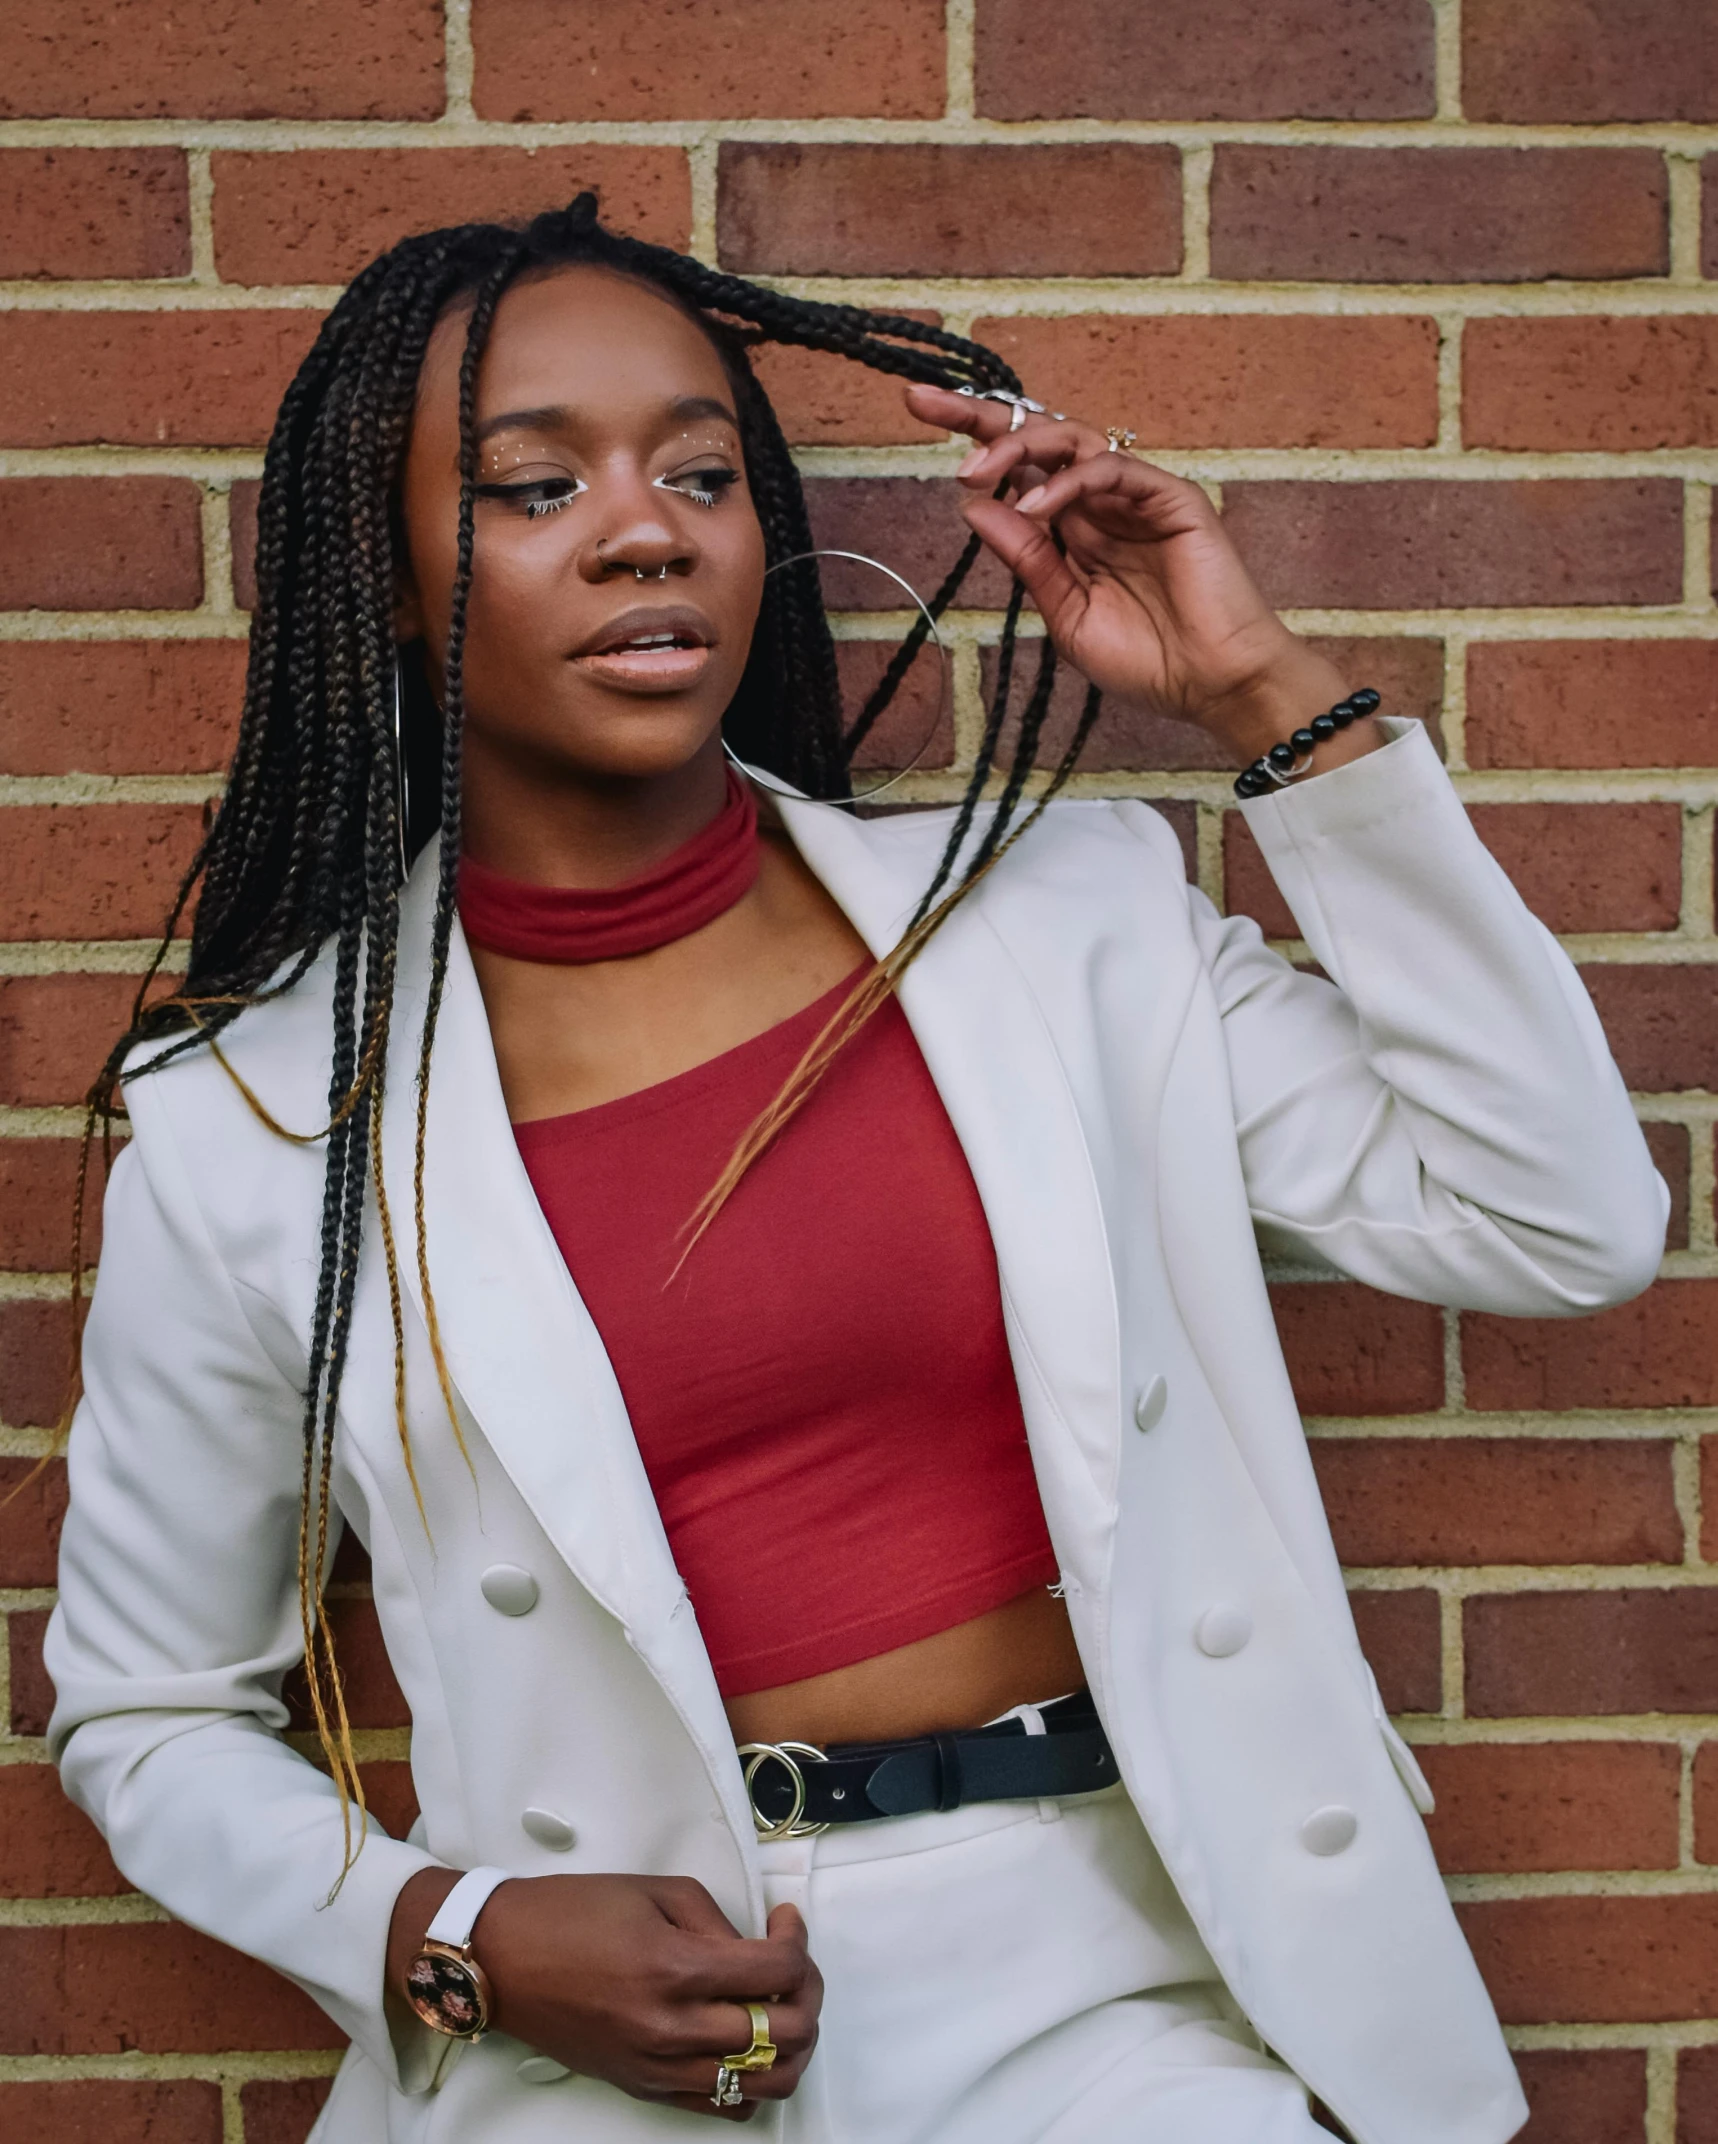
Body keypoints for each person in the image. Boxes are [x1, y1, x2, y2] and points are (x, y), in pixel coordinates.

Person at [44, 196, 1664, 2144]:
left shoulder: (1055, 928)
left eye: (702, 469)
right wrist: (453, 1934)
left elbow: (1555, 1217)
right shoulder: (260, 1122)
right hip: (625, 2043)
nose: (647, 525)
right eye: (533, 485)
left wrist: (1258, 697)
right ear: (385, 577)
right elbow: (145, 1714)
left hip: (1116, 1978)